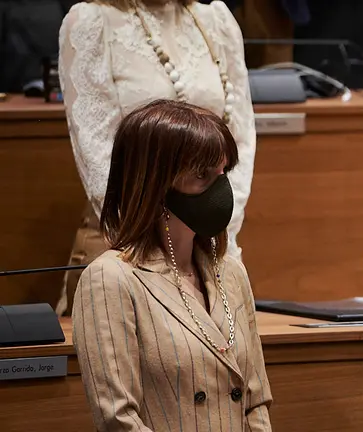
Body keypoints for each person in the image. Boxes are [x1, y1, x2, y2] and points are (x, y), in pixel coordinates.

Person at [72, 100, 272, 431]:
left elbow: (256, 400)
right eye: (202, 176)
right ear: (155, 185)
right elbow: (118, 419)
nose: (221, 191)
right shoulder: (111, 279)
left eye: (224, 173)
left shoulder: (230, 272)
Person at [56, 0, 255, 316]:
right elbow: (98, 158)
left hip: (211, 244)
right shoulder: (92, 21)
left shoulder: (217, 19)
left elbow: (240, 139)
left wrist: (217, 226)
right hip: (126, 245)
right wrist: (163, 252)